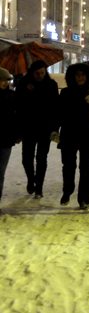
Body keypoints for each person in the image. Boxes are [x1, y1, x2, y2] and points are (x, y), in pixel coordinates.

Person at [58, 63, 89, 209]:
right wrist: (55, 130)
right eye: (77, 75)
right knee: (68, 166)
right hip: (69, 134)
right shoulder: (65, 93)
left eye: (83, 75)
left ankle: (84, 198)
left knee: (86, 167)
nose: (80, 78)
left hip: (87, 135)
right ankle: (67, 191)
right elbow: (59, 114)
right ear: (72, 77)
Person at [16, 60, 60, 198]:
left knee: (41, 158)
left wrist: (55, 127)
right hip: (28, 128)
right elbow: (18, 105)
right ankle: (31, 180)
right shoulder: (23, 84)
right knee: (26, 158)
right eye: (37, 73)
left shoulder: (51, 84)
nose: (40, 75)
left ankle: (39, 187)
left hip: (45, 128)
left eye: (42, 72)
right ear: (32, 73)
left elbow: (55, 108)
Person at [0, 67, 20, 214]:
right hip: (5, 138)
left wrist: (17, 134)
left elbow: (16, 117)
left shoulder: (12, 96)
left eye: (7, 80)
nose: (5, 83)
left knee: (0, 172)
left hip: (5, 139)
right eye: (3, 80)